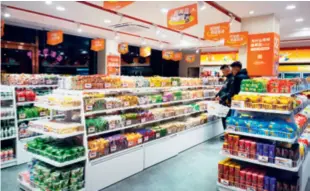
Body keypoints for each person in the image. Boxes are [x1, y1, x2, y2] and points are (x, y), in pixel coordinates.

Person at [216, 64, 234, 140]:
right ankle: (226, 133)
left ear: (228, 70)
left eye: (224, 71)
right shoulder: (227, 79)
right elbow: (223, 89)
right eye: (222, 72)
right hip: (223, 102)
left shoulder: (232, 79)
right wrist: (217, 94)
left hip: (227, 103)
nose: (223, 73)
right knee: (224, 118)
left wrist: (222, 97)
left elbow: (230, 92)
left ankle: (228, 134)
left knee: (227, 119)